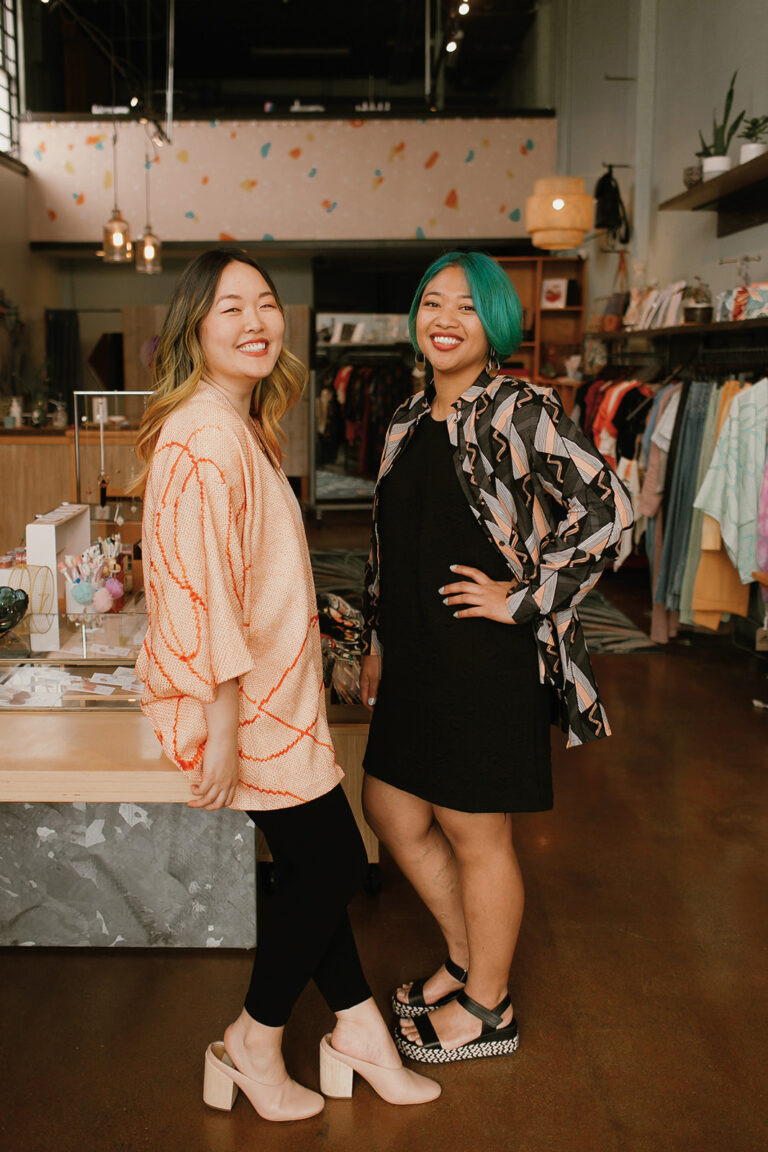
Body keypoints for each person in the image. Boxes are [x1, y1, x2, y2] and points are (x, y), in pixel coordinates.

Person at [134, 248, 440, 1119]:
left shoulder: (239, 424)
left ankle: (359, 1032)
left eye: (265, 303)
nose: (255, 321)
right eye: (230, 307)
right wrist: (224, 725)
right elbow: (201, 594)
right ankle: (253, 1040)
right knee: (335, 859)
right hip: (246, 703)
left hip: (274, 696)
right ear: (195, 327)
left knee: (314, 863)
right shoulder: (204, 435)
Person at [360, 251, 633, 1065]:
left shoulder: (518, 408)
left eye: (468, 307)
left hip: (484, 658)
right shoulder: (406, 418)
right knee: (391, 809)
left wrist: (523, 598)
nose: (446, 319)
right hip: (415, 654)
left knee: (475, 832)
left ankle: (489, 1006)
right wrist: (377, 637)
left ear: (496, 325)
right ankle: (464, 958)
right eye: (433, 303)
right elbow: (387, 541)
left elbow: (610, 511)